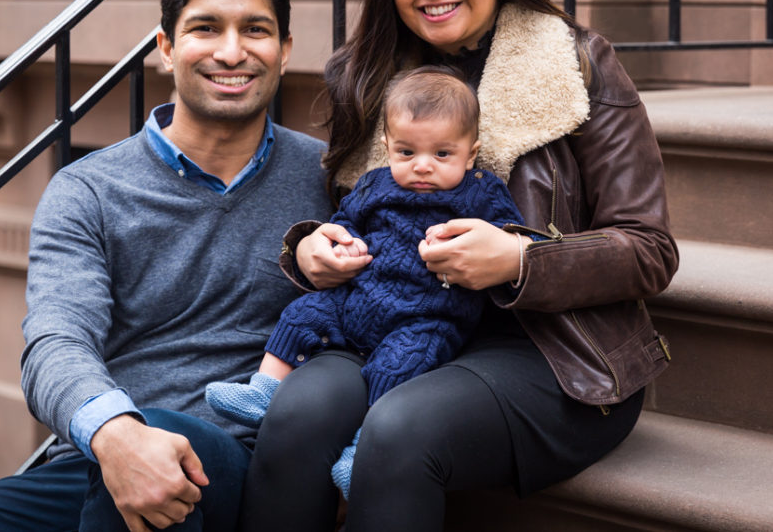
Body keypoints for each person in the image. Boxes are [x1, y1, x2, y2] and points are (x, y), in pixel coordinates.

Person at [238, 0, 679, 532]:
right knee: (295, 415)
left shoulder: (576, 65)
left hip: (546, 350)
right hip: (389, 323)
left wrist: (520, 261)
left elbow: (650, 250)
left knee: (397, 430)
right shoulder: (368, 78)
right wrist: (312, 249)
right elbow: (353, 215)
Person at [0, 0, 335, 532]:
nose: (231, 51)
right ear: (165, 48)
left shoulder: (329, 179)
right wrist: (115, 435)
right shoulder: (88, 190)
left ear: (284, 51)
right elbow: (56, 341)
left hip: (239, 472)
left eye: (254, 30)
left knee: (169, 445)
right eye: (205, 28)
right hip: (102, 462)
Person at [205, 66, 540, 498]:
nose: (422, 166)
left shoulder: (480, 192)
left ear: (470, 154)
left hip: (427, 315)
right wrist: (338, 246)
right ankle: (264, 390)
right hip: (360, 295)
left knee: (398, 368)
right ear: (387, 149)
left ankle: (362, 451)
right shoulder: (373, 185)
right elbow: (344, 223)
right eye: (406, 153)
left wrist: (498, 245)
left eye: (442, 154)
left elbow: (514, 237)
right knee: (301, 313)